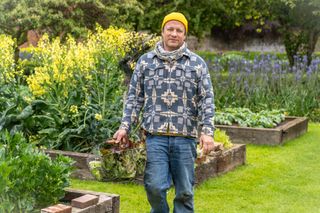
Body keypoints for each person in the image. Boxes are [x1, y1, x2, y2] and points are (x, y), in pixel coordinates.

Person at [112, 12, 215, 213]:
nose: (174, 34)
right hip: (155, 137)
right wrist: (125, 126)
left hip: (185, 139)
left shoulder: (196, 64)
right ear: (162, 31)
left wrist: (207, 131)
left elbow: (207, 100)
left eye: (179, 30)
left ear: (184, 35)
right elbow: (134, 98)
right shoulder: (145, 62)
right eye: (170, 29)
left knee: (184, 192)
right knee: (155, 187)